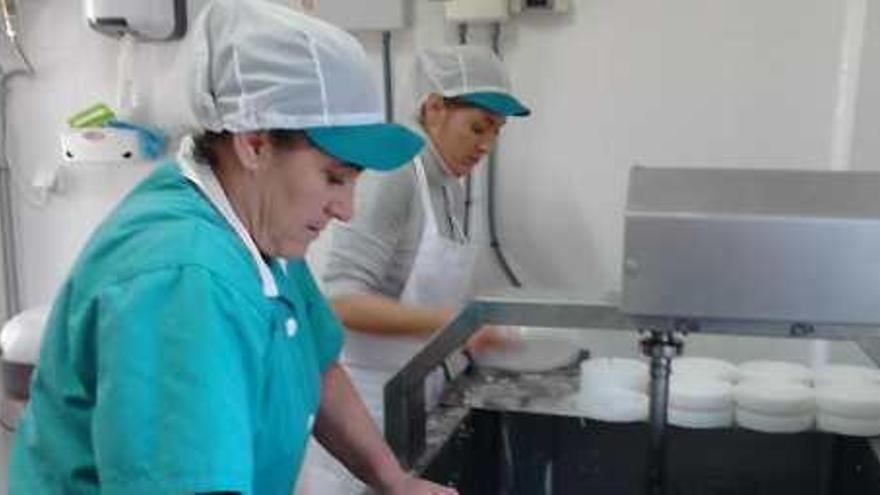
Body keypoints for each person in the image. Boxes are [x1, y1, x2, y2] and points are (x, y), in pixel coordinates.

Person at [8, 1, 457, 494]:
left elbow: (318, 361)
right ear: (255, 143)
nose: (346, 209)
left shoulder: (261, 232)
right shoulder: (183, 279)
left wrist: (393, 481)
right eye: (334, 178)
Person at [324, 45, 531, 429]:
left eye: (497, 131)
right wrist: (454, 325)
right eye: (478, 127)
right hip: (365, 406)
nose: (487, 146)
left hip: (413, 392)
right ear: (434, 108)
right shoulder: (394, 176)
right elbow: (341, 302)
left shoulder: (447, 184)